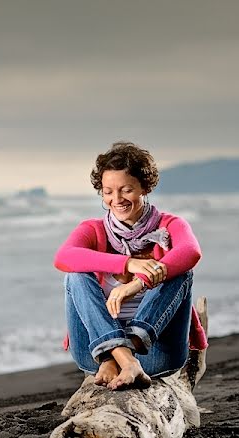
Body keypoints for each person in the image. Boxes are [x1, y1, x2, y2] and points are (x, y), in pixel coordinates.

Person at [54, 141, 208, 390]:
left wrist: (138, 283)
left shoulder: (169, 225)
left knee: (179, 271)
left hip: (156, 353)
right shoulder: (93, 230)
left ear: (144, 187)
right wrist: (128, 263)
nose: (117, 199)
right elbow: (63, 257)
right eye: (108, 192)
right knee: (75, 277)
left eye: (126, 190)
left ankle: (128, 354)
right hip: (97, 354)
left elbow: (191, 252)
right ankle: (123, 359)